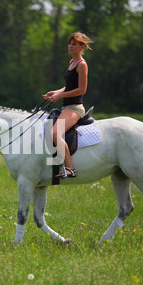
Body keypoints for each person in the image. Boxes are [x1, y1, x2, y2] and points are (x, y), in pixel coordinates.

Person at [43, 31, 93, 178]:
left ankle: (70, 169)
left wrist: (60, 96)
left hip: (75, 108)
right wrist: (55, 92)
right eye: (69, 43)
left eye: (74, 44)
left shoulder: (82, 65)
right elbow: (70, 87)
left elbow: (81, 89)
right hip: (66, 106)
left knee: (54, 133)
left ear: (82, 47)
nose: (70, 46)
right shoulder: (72, 63)